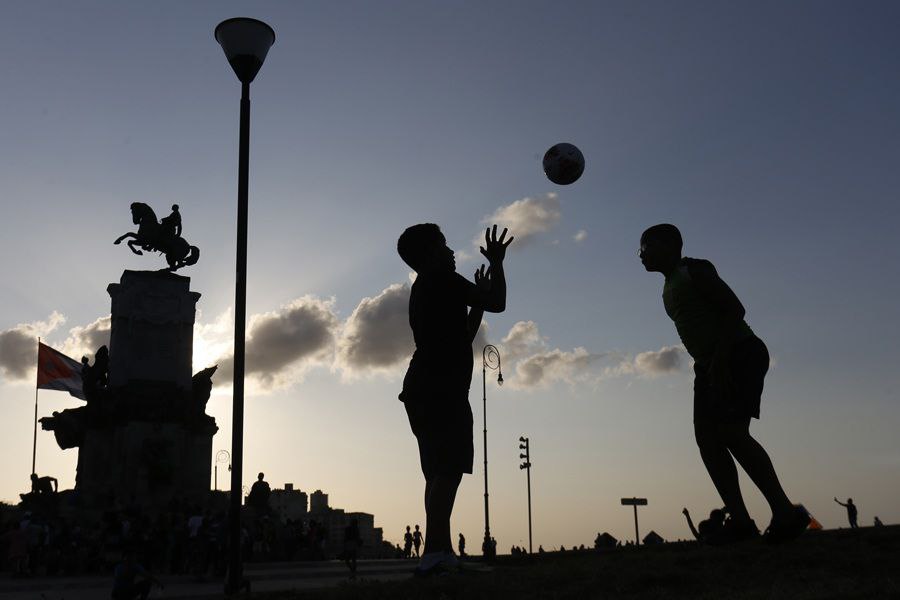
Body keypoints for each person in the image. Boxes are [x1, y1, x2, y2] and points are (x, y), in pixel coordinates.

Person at [639, 224, 809, 544]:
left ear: (668, 245)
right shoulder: (669, 284)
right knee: (707, 439)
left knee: (732, 433)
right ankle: (741, 522)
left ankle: (786, 513)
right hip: (708, 366)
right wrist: (710, 362)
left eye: (646, 247)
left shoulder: (694, 270)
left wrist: (721, 356)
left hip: (738, 354)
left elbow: (735, 309)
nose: (641, 255)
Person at [397, 223, 513, 575]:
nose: (451, 251)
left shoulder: (426, 286)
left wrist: (477, 300)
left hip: (423, 389)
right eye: (444, 245)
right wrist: (497, 263)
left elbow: (464, 336)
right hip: (442, 389)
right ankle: (435, 553)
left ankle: (440, 552)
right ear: (430, 254)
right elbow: (499, 303)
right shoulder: (442, 279)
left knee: (437, 473)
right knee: (447, 470)